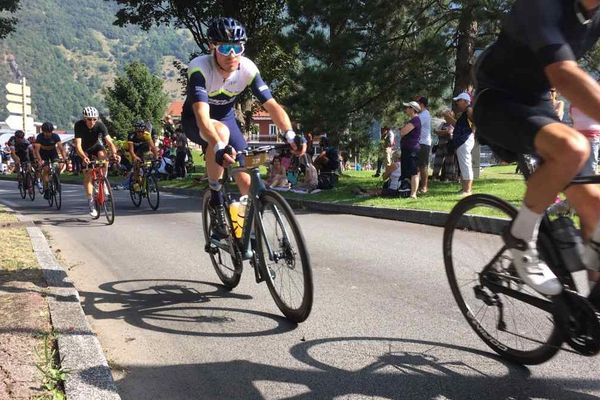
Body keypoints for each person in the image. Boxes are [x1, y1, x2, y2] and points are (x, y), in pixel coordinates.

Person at [473, 0, 600, 296]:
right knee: (572, 147)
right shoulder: (543, 4)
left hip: (538, 103)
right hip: (497, 100)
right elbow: (563, 74)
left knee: (595, 206)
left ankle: (593, 307)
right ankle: (520, 236)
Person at [181, 17, 305, 238]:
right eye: (225, 47)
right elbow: (201, 114)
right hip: (197, 121)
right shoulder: (199, 67)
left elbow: (272, 106)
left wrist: (290, 134)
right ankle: (216, 203)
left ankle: (247, 234)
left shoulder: (247, 68)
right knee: (220, 134)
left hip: (227, 119)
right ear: (213, 47)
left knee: (247, 179)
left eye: (237, 47)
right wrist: (218, 146)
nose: (232, 54)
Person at [74, 106, 119, 218]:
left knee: (104, 157)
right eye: (89, 119)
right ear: (85, 119)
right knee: (88, 176)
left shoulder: (100, 125)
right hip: (84, 150)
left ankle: (103, 181)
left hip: (96, 146)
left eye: (94, 119)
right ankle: (91, 203)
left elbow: (109, 142)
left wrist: (114, 153)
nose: (92, 121)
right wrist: (84, 156)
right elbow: (78, 145)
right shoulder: (79, 125)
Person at [448, 93, 475, 196]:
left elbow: (474, 121)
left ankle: (467, 190)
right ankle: (464, 188)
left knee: (466, 164)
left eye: (459, 100)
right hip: (461, 141)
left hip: (465, 140)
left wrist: (473, 131)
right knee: (463, 165)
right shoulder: (465, 112)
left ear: (464, 101)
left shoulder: (469, 109)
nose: (457, 103)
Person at [33, 122, 67, 199]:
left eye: (50, 132)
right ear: (43, 131)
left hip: (53, 153)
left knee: (57, 166)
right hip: (43, 154)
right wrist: (40, 160)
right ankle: (47, 189)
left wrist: (65, 158)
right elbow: (37, 150)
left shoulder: (55, 136)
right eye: (46, 132)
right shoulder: (40, 137)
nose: (48, 134)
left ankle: (56, 179)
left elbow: (61, 148)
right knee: (46, 169)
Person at [399, 101, 422, 199]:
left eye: (408, 107)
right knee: (406, 171)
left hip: (412, 149)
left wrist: (402, 129)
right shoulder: (412, 120)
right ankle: (406, 191)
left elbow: (403, 132)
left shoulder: (415, 120)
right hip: (407, 149)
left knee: (413, 172)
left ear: (413, 109)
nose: (406, 109)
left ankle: (413, 194)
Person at [570, 104, 600, 175]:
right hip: (589, 134)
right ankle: (588, 177)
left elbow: (572, 118)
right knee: (590, 161)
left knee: (582, 160)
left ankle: (588, 177)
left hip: (580, 134)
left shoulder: (573, 104)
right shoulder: (592, 100)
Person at [432, 109, 458, 181]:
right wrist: (445, 132)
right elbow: (436, 131)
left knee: (449, 162)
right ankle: (435, 176)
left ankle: (448, 177)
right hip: (440, 145)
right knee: (437, 161)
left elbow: (450, 132)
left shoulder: (454, 124)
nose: (446, 117)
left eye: (449, 114)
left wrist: (441, 132)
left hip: (449, 145)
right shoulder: (443, 124)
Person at [416, 96, 432, 193]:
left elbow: (415, 125)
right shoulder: (421, 114)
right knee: (417, 166)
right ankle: (417, 186)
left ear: (421, 104)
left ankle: (424, 187)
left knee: (423, 165)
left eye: (417, 103)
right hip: (419, 143)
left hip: (424, 143)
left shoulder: (425, 114)